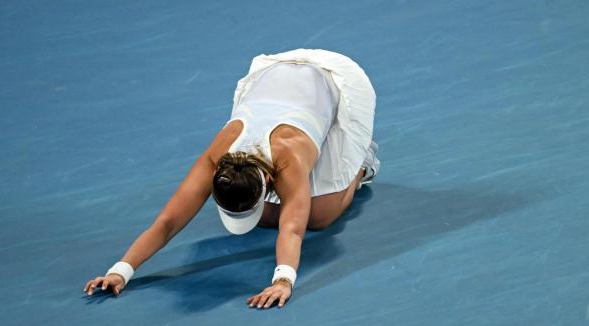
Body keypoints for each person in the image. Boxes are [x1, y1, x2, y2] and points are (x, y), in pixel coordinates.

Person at [83, 49, 380, 309]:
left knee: (319, 217)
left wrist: (283, 281)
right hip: (273, 80)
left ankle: (361, 161)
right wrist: (120, 271)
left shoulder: (289, 157)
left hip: (329, 82)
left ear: (266, 177)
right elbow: (167, 222)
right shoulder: (216, 158)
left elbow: (291, 230)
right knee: (269, 216)